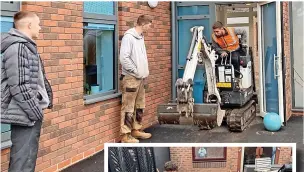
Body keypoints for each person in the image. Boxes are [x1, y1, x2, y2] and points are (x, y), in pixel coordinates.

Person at [1, 11, 53, 172]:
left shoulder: (26, 46)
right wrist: (35, 112)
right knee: (23, 162)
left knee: (26, 159)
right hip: (26, 114)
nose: (40, 27)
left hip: (27, 113)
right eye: (38, 24)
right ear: (29, 25)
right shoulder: (18, 47)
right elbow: (19, 86)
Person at [119, 15, 152, 143]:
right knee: (128, 106)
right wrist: (135, 71)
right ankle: (126, 135)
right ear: (143, 24)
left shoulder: (141, 37)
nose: (150, 27)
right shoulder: (129, 37)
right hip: (131, 78)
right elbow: (124, 58)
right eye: (149, 25)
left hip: (140, 78)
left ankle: (136, 130)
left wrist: (142, 73)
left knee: (139, 105)